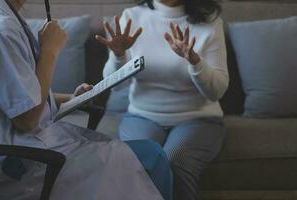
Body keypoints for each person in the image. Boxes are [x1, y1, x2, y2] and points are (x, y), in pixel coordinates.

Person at [0, 0, 170, 199]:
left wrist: (70, 98)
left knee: (149, 154)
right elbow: (27, 119)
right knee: (152, 157)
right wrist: (49, 51)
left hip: (36, 148)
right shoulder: (0, 32)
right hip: (26, 164)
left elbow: (17, 95)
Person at [97, 0, 229, 199]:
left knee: (176, 160)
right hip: (142, 116)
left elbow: (216, 91)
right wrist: (119, 55)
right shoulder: (132, 16)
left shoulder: (209, 20)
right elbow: (113, 85)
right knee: (140, 162)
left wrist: (194, 61)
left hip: (198, 118)